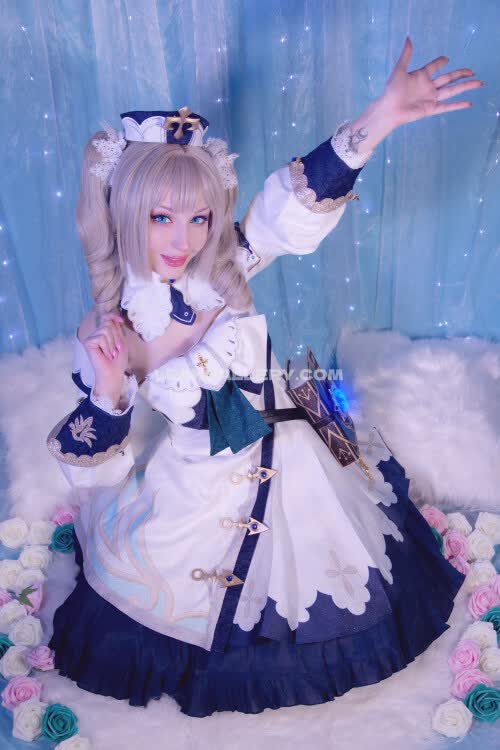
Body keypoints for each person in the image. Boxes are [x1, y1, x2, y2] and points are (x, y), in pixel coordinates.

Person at [46, 38, 483, 717]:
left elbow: (286, 213)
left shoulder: (218, 271)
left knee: (348, 563)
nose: (182, 239)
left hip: (297, 448)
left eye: (199, 217)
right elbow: (95, 470)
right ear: (125, 213)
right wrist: (107, 394)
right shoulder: (115, 330)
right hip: (197, 490)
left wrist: (382, 117)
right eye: (161, 217)